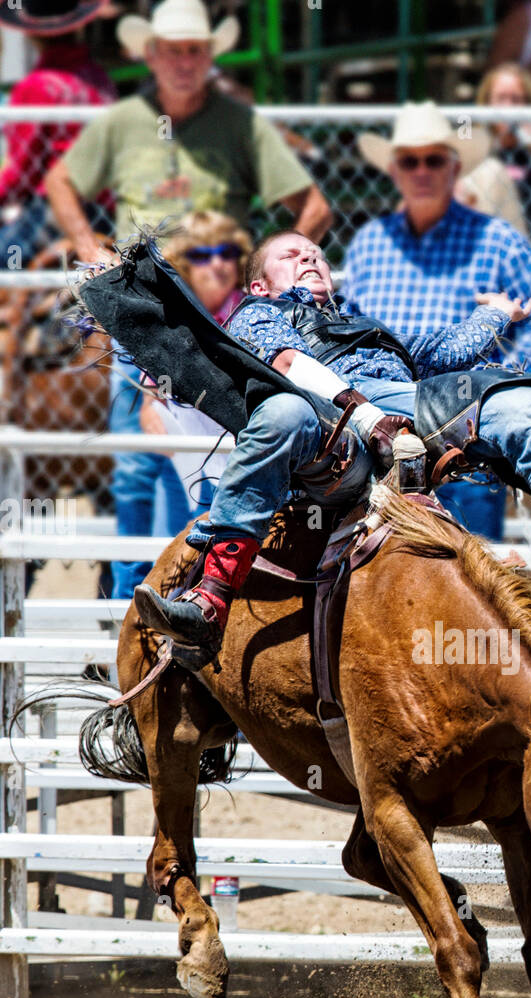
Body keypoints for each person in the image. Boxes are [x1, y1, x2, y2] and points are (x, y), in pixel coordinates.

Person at [102, 231, 531, 665]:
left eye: (317, 255)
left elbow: (442, 351)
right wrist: (367, 414)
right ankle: (211, 596)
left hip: (410, 408)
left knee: (520, 403)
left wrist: (495, 316)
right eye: (292, 254)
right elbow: (289, 365)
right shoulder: (259, 314)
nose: (310, 258)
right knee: (278, 412)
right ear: (259, 283)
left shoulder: (368, 329)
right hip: (324, 427)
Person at [43, 0, 332, 602]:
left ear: (209, 56)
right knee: (137, 465)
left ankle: (182, 596)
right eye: (172, 50)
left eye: (194, 50)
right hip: (139, 315)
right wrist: (89, 247)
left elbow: (314, 205)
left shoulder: (239, 123)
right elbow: (60, 181)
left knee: (200, 462)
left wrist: (262, 271)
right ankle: (129, 607)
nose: (183, 61)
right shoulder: (123, 120)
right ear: (150, 55)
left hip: (215, 323)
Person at [343, 102, 531, 542]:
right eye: (410, 161)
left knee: (473, 575)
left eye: (434, 160)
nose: (422, 171)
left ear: (454, 169)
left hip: (463, 438)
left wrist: (498, 382)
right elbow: (350, 331)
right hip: (380, 437)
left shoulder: (496, 240)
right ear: (394, 171)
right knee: (379, 577)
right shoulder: (369, 244)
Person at [139, 211, 252, 514]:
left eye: (226, 253)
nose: (217, 263)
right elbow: (152, 393)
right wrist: (150, 411)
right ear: (184, 264)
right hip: (190, 455)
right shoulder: (170, 318)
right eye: (202, 254)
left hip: (245, 455)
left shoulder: (251, 311)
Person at [0, 0, 116, 269]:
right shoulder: (98, 78)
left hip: (56, 213)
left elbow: (20, 174)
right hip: (105, 210)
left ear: (29, 32)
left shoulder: (37, 86)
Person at [460, 64, 531, 249]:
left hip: (529, 241)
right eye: (501, 99)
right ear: (487, 103)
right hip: (484, 239)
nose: (508, 107)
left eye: (516, 99)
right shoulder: (475, 142)